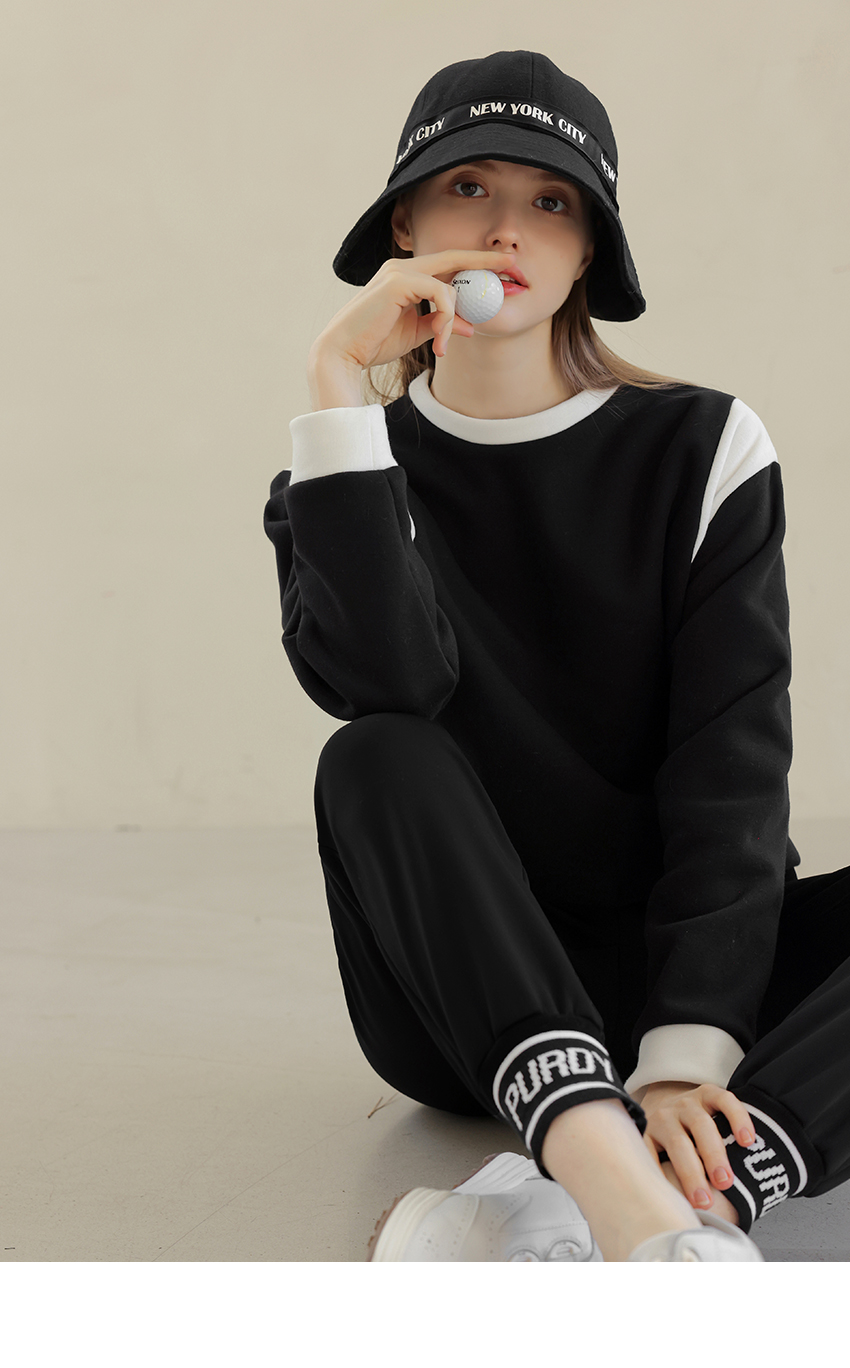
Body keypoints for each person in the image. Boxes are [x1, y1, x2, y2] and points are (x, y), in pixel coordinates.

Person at [263, 50, 850, 1261]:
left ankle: (690, 1203)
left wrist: (684, 1052)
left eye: (550, 201)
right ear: (405, 226)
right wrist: (337, 386)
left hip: (698, 982)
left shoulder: (702, 446)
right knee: (373, 756)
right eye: (467, 188)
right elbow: (391, 689)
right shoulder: (339, 473)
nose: (506, 229)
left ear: (589, 251)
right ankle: (598, 1160)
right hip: (463, 1002)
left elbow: (732, 766)